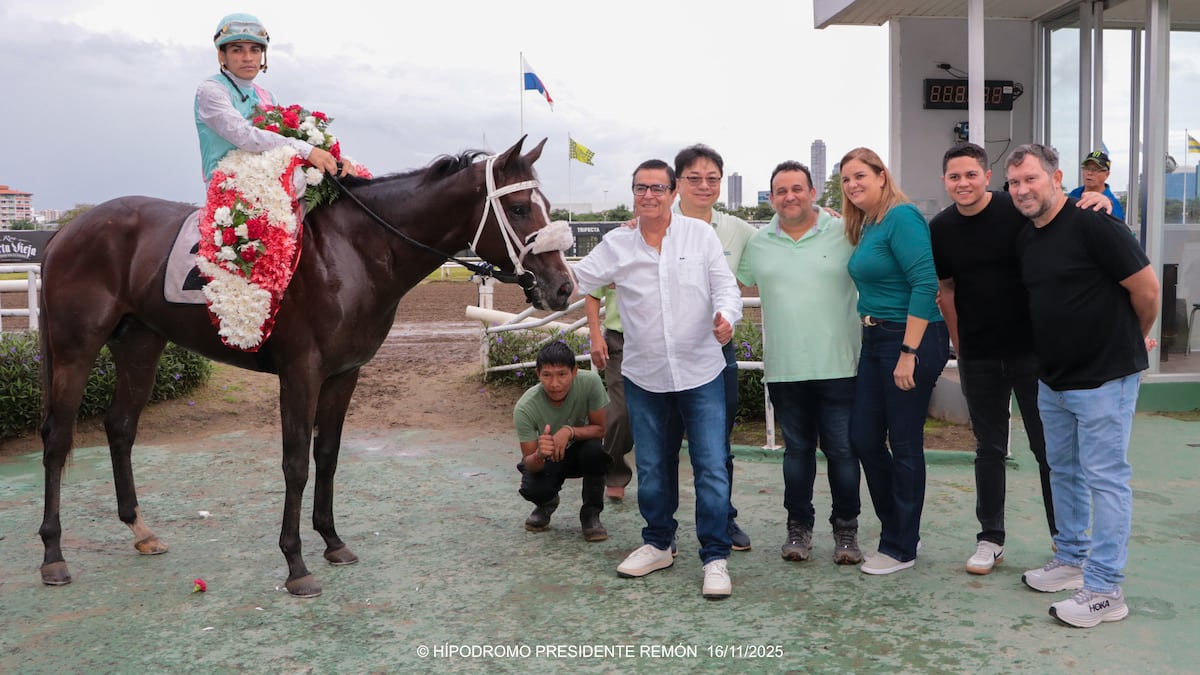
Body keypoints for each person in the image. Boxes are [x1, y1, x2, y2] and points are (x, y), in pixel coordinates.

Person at [931, 142, 1116, 576]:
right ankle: (990, 538)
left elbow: (1058, 211)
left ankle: (1066, 544)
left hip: (1034, 352)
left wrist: (1098, 198)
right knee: (988, 448)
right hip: (979, 355)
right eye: (954, 177)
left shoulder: (1015, 208)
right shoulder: (940, 228)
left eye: (971, 175)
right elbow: (949, 290)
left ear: (987, 177)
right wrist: (962, 344)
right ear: (945, 182)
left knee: (1048, 449)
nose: (963, 183)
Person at [573, 159, 743, 600]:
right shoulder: (617, 243)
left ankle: (715, 556)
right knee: (651, 466)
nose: (648, 195)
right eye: (640, 188)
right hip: (644, 375)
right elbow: (579, 281)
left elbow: (725, 286)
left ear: (672, 192)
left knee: (709, 465)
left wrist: (727, 316)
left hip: (701, 370)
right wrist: (544, 246)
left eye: (657, 188)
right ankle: (658, 543)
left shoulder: (699, 235)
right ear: (633, 193)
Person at [1006, 143, 1159, 628]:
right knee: (1063, 471)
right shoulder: (1028, 237)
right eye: (1014, 183)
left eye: (1031, 179)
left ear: (1056, 177)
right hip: (1053, 379)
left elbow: (1147, 289)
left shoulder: (1095, 222)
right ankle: (1071, 560)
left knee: (1106, 479)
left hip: (1104, 378)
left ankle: (1105, 590)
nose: (1022, 190)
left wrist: (1131, 341)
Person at [736, 161, 863, 565]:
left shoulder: (846, 231)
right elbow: (722, 275)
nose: (789, 196)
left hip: (841, 366)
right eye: (781, 190)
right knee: (797, 455)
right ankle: (799, 528)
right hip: (786, 369)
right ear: (771, 198)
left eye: (797, 188)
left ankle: (846, 531)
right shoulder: (758, 243)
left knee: (843, 453)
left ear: (813, 192)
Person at [841, 147, 950, 576]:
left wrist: (908, 353)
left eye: (860, 176)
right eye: (846, 179)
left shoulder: (902, 217)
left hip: (909, 339)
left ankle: (901, 546)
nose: (853, 185)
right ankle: (897, 529)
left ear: (882, 176)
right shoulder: (869, 223)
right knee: (863, 437)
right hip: (875, 337)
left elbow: (925, 284)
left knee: (904, 444)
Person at [671, 144, 757, 552]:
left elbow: (778, 241)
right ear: (678, 183)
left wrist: (821, 219)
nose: (703, 186)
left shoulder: (736, 229)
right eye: (694, 178)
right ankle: (661, 532)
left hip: (718, 351)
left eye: (712, 179)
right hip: (665, 352)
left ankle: (723, 520)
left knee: (718, 445)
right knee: (663, 445)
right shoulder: (655, 223)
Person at [195, 13, 355, 183]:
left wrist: (333, 160)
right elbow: (244, 136)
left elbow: (287, 138)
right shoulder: (211, 90)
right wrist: (307, 150)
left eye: (255, 50)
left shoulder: (267, 96)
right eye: (237, 50)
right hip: (229, 186)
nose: (248, 58)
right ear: (222, 55)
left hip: (270, 178)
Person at [513, 341, 610, 542]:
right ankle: (547, 503)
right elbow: (529, 461)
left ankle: (591, 513)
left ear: (574, 372)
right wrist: (540, 453)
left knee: (596, 452)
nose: (555, 383)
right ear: (537, 374)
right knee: (532, 488)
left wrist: (569, 431)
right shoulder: (524, 407)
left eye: (562, 374)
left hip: (580, 450)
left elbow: (601, 429)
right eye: (547, 375)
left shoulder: (591, 382)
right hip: (549, 457)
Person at [585, 287, 634, 501]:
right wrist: (596, 336)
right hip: (620, 338)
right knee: (622, 409)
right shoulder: (610, 252)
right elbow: (593, 292)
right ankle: (613, 470)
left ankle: (661, 478)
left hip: (660, 337)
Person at [1069, 151, 1125, 221]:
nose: (1089, 173)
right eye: (1087, 168)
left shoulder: (1112, 206)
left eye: (1095, 170)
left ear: (1106, 174)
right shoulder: (1074, 194)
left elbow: (1117, 231)